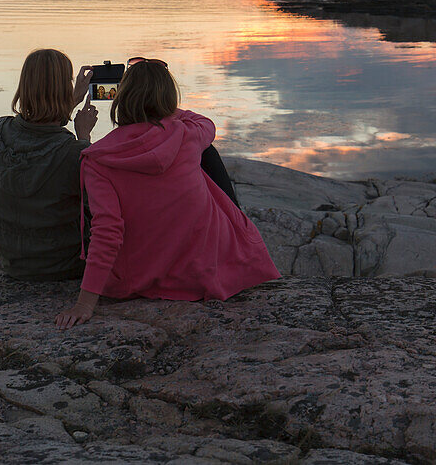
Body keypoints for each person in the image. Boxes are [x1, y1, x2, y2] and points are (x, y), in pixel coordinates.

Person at [55, 57, 280, 330]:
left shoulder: (98, 158)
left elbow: (107, 231)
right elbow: (206, 123)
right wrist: (162, 105)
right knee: (208, 156)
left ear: (121, 99)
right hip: (199, 274)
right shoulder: (187, 133)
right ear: (169, 99)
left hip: (135, 280)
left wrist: (85, 304)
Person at [0, 48, 99, 280]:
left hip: (13, 259)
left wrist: (71, 103)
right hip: (63, 262)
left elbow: (38, 135)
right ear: (62, 88)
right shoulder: (73, 152)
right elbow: (98, 203)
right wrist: (84, 137)